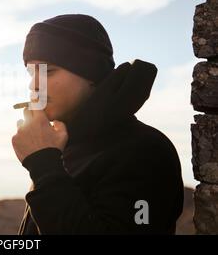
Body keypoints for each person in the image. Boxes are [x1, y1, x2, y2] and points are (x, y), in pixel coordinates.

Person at [11, 14, 184, 235]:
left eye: (48, 71)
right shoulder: (64, 146)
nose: (34, 85)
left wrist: (44, 166)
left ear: (91, 73)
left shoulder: (145, 151)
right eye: (31, 72)